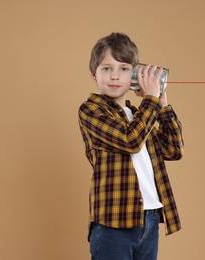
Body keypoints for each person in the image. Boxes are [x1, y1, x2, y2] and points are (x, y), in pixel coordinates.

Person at [78, 32, 184, 260]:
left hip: (150, 218)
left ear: (135, 75)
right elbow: (130, 140)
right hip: (114, 224)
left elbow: (174, 150)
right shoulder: (91, 111)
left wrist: (162, 105)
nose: (115, 76)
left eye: (124, 69)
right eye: (106, 68)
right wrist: (151, 101)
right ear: (94, 75)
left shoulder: (138, 115)